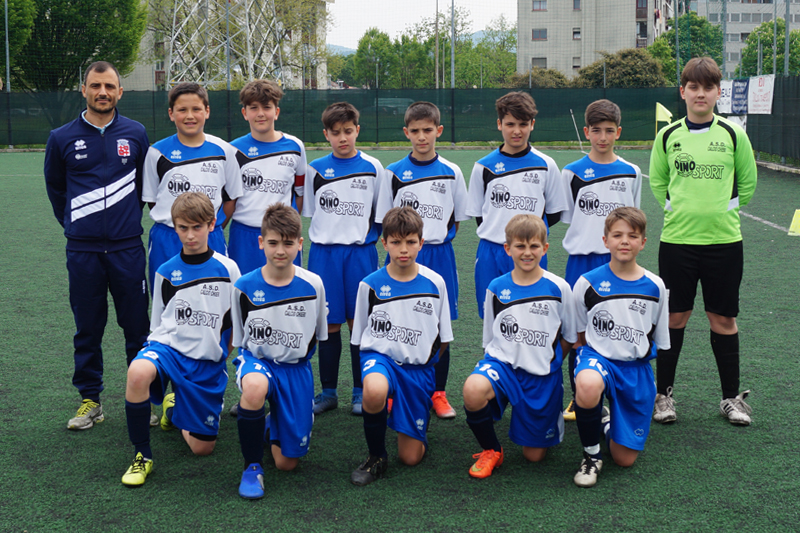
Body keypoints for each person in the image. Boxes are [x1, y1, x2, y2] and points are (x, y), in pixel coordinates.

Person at [649, 57, 757, 426]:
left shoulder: (733, 134)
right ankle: (664, 396)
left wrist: (720, 211)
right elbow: (658, 182)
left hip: (724, 242)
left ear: (717, 92)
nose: (700, 93)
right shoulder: (668, 136)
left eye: (707, 87)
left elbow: (747, 183)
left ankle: (731, 398)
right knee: (674, 317)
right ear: (683, 92)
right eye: (693, 87)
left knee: (723, 319)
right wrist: (679, 209)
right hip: (677, 242)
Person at [44, 61, 151, 430]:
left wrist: (123, 224)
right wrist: (78, 227)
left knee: (137, 328)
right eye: (95, 86)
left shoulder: (136, 133)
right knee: (87, 328)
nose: (102, 92)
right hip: (83, 251)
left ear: (120, 91)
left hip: (127, 248)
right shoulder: (61, 137)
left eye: (108, 86)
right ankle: (90, 400)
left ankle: (143, 398)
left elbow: (144, 188)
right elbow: (56, 190)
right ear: (84, 90)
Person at [121, 192, 240, 487]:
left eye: (197, 227)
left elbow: (236, 320)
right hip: (169, 350)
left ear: (211, 225)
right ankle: (142, 455)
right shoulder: (166, 272)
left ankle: (174, 409)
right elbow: (158, 324)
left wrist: (225, 351)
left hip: (206, 362)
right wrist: (154, 352)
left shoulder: (228, 269)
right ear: (174, 227)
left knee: (202, 449)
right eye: (183, 228)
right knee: (137, 372)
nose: (190, 235)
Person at [462, 214, 576, 478]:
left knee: (533, 457)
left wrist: (548, 361)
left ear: (545, 248)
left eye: (534, 246)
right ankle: (492, 449)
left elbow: (569, 337)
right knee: (473, 389)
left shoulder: (559, 288)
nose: (527, 252)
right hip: (503, 367)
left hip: (540, 376)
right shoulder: (496, 287)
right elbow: (490, 338)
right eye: (520, 246)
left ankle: (542, 417)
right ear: (507, 248)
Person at [375, 101, 468, 420]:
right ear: (406, 132)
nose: (422, 136)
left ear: (438, 130)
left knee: (440, 325)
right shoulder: (393, 173)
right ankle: (394, 390)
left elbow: (456, 220)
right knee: (398, 321)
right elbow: (386, 220)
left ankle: (438, 393)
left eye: (428, 130)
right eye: (415, 131)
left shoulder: (452, 172)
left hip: (439, 254)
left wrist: (433, 240)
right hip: (401, 256)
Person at [349, 207, 453, 486]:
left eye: (410, 241)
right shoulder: (369, 285)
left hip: (417, 371)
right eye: (396, 242)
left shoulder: (435, 283)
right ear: (384, 243)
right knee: (374, 389)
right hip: (381, 359)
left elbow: (443, 340)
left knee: (410, 458)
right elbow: (359, 339)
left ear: (421, 242)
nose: (403, 249)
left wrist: (424, 366)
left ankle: (413, 417)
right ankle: (376, 456)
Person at [232, 203, 327, 499]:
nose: (280, 251)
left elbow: (318, 335)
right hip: (258, 362)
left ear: (300, 244)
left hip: (296, 369)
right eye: (273, 243)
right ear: (261, 242)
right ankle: (252, 468)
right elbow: (241, 340)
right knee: (255, 387)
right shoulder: (244, 286)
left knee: (287, 464)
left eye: (288, 243)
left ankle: (269, 424)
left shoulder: (313, 284)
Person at [571, 207, 670, 488]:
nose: (625, 241)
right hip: (599, 359)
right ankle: (591, 456)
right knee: (588, 383)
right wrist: (586, 365)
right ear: (605, 241)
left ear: (643, 242)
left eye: (632, 236)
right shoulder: (587, 283)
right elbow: (579, 335)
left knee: (624, 459)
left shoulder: (656, 286)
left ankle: (605, 422)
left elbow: (660, 340)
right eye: (617, 235)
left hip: (635, 368)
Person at [559, 99, 642, 421]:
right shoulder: (571, 173)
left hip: (618, 264)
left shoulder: (632, 172)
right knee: (577, 330)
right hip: (580, 262)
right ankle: (578, 397)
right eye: (596, 131)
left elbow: (633, 221)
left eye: (609, 130)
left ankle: (615, 394)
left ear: (618, 132)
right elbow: (570, 218)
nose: (603, 137)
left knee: (615, 325)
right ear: (586, 132)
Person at [302, 102, 385, 416]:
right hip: (324, 255)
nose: (342, 138)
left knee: (359, 322)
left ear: (357, 130)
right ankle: (329, 392)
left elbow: (381, 214)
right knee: (329, 323)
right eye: (335, 132)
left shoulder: (373, 167)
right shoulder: (316, 170)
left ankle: (360, 392)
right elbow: (311, 212)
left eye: (348, 131)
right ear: (326, 134)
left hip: (361, 253)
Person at [466, 91, 567, 319]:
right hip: (491, 251)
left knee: (531, 313)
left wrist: (529, 237)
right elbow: (480, 215)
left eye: (523, 124)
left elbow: (553, 213)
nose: (517, 131)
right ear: (499, 124)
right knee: (492, 314)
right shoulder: (483, 167)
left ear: (532, 124)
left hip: (530, 250)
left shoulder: (546, 165)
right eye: (510, 124)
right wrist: (499, 233)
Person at [142, 82, 243, 290]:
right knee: (168, 298)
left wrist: (208, 227)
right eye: (182, 110)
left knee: (215, 297)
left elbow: (231, 198)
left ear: (207, 111)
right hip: (167, 238)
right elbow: (153, 201)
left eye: (196, 109)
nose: (190, 116)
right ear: (171, 114)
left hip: (210, 236)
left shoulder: (224, 150)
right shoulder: (156, 153)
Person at [229, 79, 307, 275]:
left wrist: (287, 223)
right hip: (244, 235)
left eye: (266, 107)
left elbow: (300, 194)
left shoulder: (295, 147)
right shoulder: (232, 150)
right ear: (244, 113)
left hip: (283, 235)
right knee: (244, 289)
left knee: (286, 288)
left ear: (276, 112)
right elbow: (228, 198)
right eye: (253, 108)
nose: (261, 113)